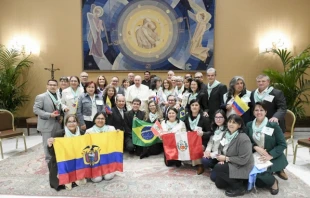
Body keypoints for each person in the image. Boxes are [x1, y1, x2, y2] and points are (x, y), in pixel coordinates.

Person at [246, 102, 288, 195]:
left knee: (261, 175)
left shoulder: (273, 125)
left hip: (271, 156)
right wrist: (255, 147)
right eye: (256, 110)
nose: (259, 112)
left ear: (266, 112)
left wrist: (270, 155)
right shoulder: (249, 125)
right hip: (255, 154)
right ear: (253, 112)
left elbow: (282, 144)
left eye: (261, 110)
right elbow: (246, 141)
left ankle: (274, 182)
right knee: (248, 172)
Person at [213, 114, 254, 197]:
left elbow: (243, 160)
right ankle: (236, 181)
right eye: (230, 122)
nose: (231, 124)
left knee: (218, 168)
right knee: (218, 183)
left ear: (239, 125)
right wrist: (221, 158)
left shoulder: (243, 138)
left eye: (234, 122)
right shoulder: (226, 134)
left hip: (242, 166)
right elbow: (220, 147)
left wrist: (226, 158)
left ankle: (239, 187)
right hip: (229, 162)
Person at [47, 115, 87, 190]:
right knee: (60, 182)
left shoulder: (82, 134)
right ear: (65, 124)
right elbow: (52, 154)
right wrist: (50, 145)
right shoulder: (59, 134)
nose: (72, 123)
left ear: (77, 123)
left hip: (77, 159)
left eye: (74, 121)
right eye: (69, 121)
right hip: (64, 160)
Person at [33, 79, 62, 163]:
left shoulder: (58, 95)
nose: (52, 86)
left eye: (54, 85)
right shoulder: (41, 97)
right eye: (50, 85)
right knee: (47, 144)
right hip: (47, 124)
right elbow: (36, 110)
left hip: (57, 123)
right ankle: (49, 162)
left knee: (57, 143)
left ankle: (57, 160)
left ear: (57, 87)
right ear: (47, 86)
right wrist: (49, 114)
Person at [85, 112, 117, 182]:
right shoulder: (89, 131)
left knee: (108, 177)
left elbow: (115, 143)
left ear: (105, 120)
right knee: (97, 179)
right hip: (95, 159)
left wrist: (118, 134)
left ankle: (108, 170)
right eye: (98, 118)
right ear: (94, 120)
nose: (100, 120)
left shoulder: (111, 129)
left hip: (107, 158)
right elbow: (86, 148)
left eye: (102, 118)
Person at [184, 99, 211, 175]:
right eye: (192, 105)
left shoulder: (204, 118)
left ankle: (200, 165)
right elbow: (184, 128)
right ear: (190, 107)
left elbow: (210, 132)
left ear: (199, 107)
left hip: (202, 141)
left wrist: (203, 133)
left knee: (196, 147)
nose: (194, 107)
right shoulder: (187, 117)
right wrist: (187, 132)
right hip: (190, 140)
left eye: (196, 105)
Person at [202, 110, 228, 177]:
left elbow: (224, 148)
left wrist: (212, 154)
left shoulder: (227, 131)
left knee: (213, 177)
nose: (218, 119)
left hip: (222, 156)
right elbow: (210, 142)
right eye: (216, 117)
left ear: (224, 118)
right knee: (204, 159)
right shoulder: (215, 128)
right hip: (213, 155)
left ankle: (219, 169)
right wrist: (207, 151)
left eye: (221, 117)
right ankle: (215, 168)